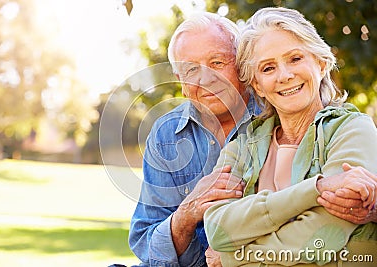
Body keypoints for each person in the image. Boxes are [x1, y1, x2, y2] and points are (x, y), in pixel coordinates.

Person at [204, 7, 377, 267]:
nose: (285, 75)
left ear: (321, 63)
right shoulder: (243, 146)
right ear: (258, 87)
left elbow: (323, 238)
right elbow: (218, 230)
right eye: (268, 68)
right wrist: (316, 189)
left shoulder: (353, 130)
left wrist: (235, 257)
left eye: (295, 58)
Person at [128, 12, 260, 266]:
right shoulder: (166, 134)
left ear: (242, 64)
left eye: (218, 62)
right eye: (191, 69)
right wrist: (188, 212)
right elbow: (146, 243)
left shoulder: (275, 115)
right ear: (180, 80)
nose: (206, 79)